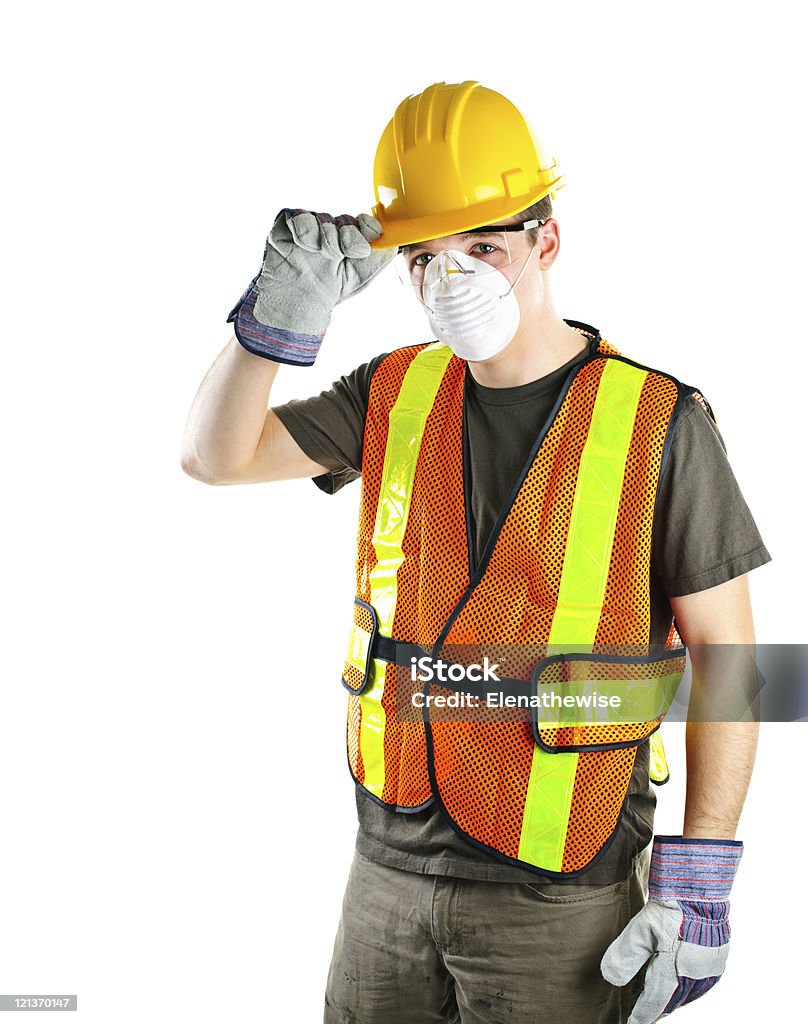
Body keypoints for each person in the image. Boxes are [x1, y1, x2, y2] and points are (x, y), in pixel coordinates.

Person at [181, 81, 770, 1024]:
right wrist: (273, 321)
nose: (451, 278)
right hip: (387, 873)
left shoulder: (658, 422)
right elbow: (213, 458)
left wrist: (698, 885)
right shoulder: (392, 391)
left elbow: (736, 667)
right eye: (425, 256)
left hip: (560, 890)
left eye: (484, 246)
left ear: (548, 240)